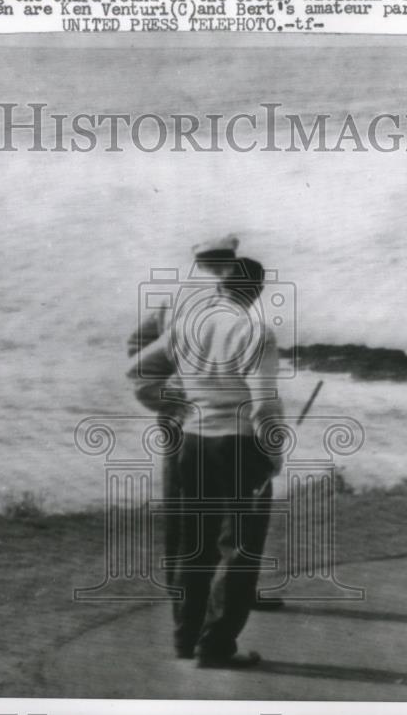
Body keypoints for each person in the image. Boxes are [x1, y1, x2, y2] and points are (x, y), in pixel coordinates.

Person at [128, 257, 284, 669]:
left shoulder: (186, 327)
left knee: (195, 546)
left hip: (192, 444)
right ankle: (215, 646)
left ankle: (185, 639)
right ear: (257, 292)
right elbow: (264, 403)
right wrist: (273, 453)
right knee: (239, 549)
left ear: (219, 289)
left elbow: (138, 371)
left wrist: (176, 408)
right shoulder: (257, 332)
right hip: (238, 447)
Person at [126, 234, 240, 587]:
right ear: (230, 260)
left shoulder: (175, 295)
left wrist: (165, 390)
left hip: (176, 409)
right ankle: (228, 588)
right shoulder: (231, 297)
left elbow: (137, 344)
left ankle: (179, 581)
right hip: (214, 413)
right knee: (232, 503)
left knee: (180, 495)